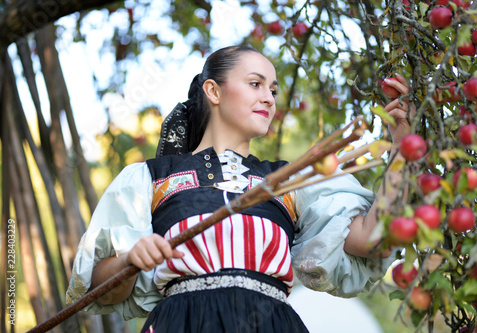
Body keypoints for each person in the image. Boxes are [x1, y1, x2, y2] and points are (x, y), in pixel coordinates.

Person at [66, 45, 413, 332]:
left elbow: (372, 238)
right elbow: (99, 290)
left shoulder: (291, 181)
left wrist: (401, 145)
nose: (269, 98)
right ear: (213, 91)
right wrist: (129, 258)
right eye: (255, 84)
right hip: (182, 324)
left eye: (273, 90)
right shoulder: (150, 178)